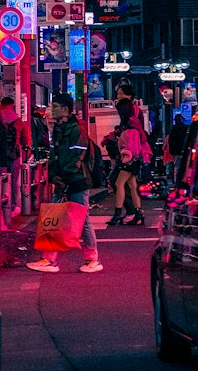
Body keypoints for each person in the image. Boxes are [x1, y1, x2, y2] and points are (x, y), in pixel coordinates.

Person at [27, 92, 102, 274]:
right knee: (54, 218)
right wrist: (54, 176)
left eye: (55, 107)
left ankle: (93, 259)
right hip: (65, 180)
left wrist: (62, 177)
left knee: (82, 219)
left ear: (66, 109)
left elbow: (77, 157)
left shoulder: (77, 130)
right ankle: (49, 259)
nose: (51, 110)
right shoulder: (59, 129)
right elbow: (55, 156)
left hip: (77, 180)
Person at [109, 97, 151, 227]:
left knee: (118, 183)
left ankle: (118, 213)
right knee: (132, 186)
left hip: (129, 158)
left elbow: (132, 143)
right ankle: (138, 214)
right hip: (134, 158)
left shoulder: (130, 124)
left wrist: (125, 153)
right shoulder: (133, 122)